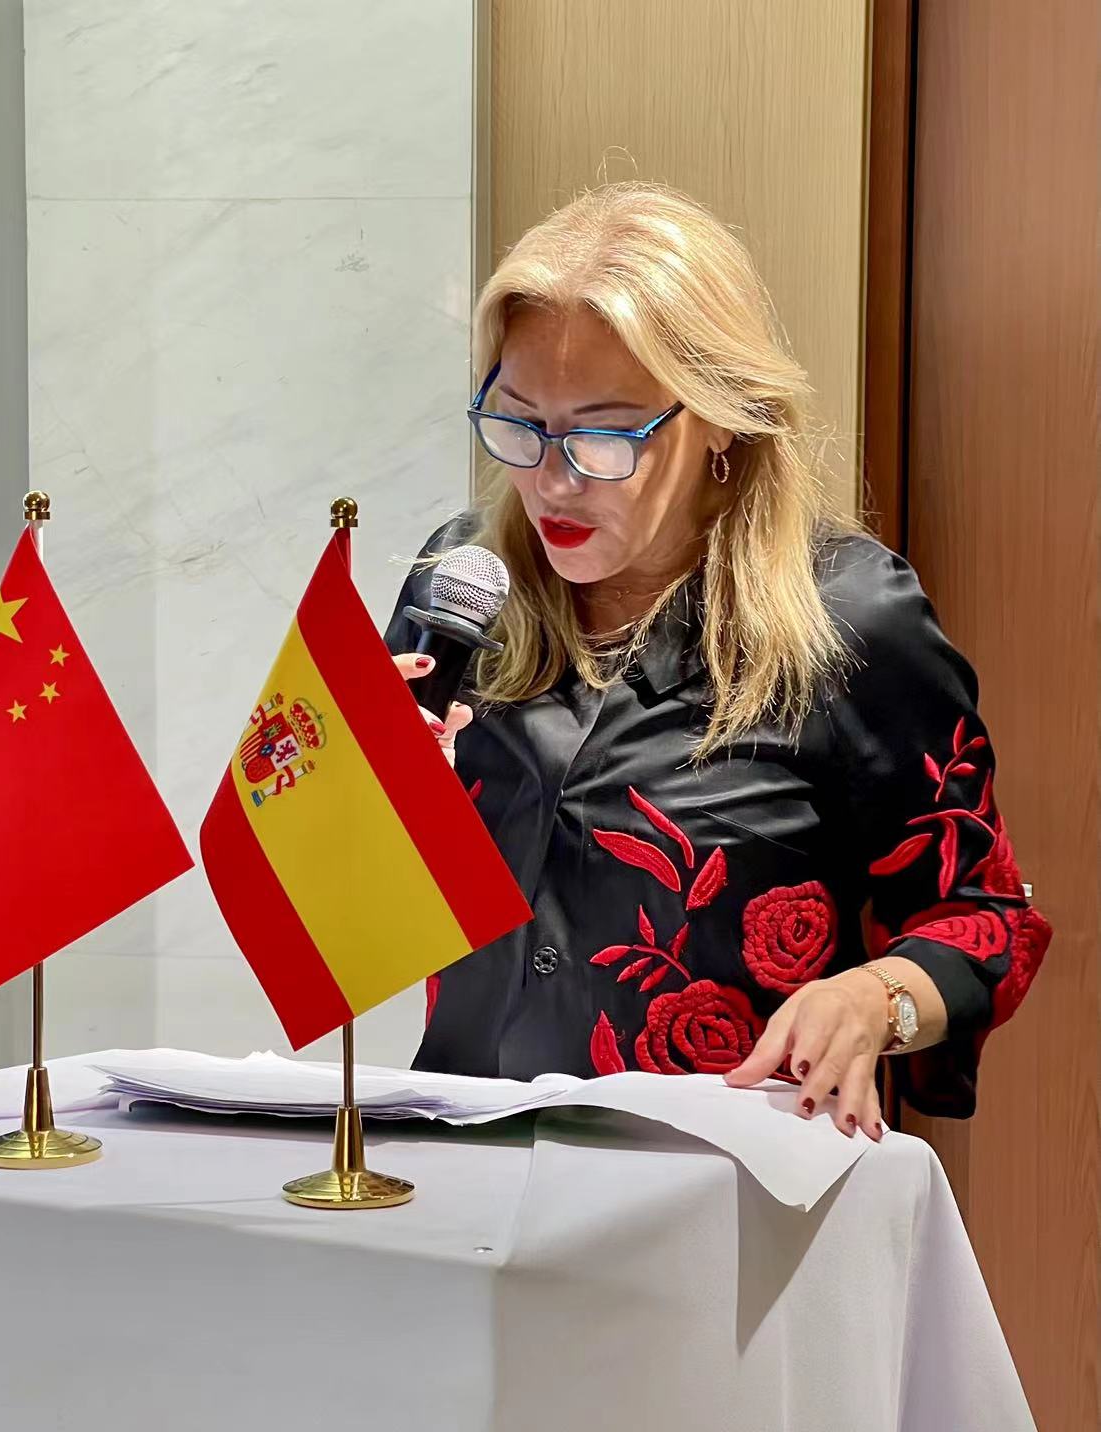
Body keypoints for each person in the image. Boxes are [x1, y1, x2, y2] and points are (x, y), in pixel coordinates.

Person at [385, 184, 1050, 1138]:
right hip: (464, 1158)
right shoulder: (461, 587)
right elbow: (355, 918)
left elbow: (982, 917)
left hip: (723, 1191)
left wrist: (876, 998)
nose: (554, 479)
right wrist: (353, 814)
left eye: (607, 434)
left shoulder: (849, 621)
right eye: (520, 421)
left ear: (722, 418)